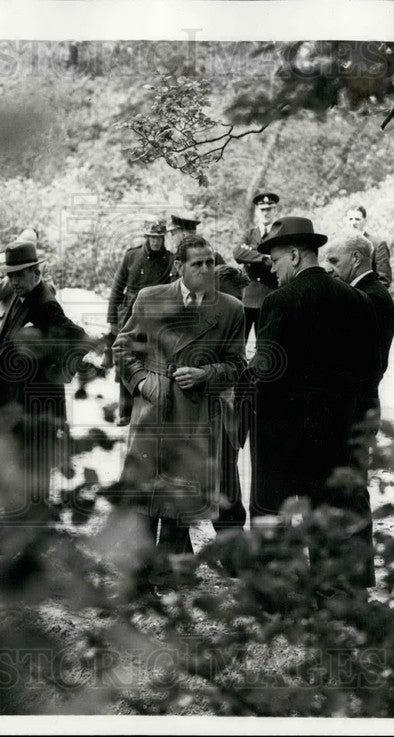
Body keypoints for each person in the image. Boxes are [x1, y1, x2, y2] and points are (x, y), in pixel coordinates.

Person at [247, 216, 374, 591]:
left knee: (279, 519)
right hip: (338, 434)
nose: (272, 268)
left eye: (276, 260)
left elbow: (266, 374)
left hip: (287, 438)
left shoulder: (279, 302)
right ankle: (335, 595)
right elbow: (366, 371)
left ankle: (283, 597)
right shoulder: (359, 301)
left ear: (297, 256)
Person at [113, 235, 245, 555]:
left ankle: (167, 575)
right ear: (179, 266)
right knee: (145, 498)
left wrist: (206, 374)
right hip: (153, 407)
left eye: (210, 263)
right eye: (197, 263)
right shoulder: (150, 297)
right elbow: (123, 348)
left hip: (195, 415)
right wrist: (143, 382)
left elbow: (237, 365)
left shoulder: (231, 309)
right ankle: (141, 574)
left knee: (178, 501)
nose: (205, 269)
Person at [0, 240, 87, 509]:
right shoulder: (21, 298)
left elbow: (79, 339)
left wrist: (55, 375)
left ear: (36, 273)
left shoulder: (44, 305)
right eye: (11, 275)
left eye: (20, 274)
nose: (14, 281)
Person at [320, 233, 394, 470]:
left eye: (334, 261)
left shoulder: (369, 296)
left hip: (355, 409)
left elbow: (362, 360)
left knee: (351, 488)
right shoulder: (366, 292)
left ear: (355, 258)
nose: (327, 268)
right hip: (356, 406)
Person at [106, 216, 173, 426]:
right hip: (130, 317)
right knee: (125, 360)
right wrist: (112, 321)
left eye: (159, 238)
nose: (155, 242)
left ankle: (151, 410)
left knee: (154, 362)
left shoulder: (170, 260)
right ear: (146, 237)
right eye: (152, 237)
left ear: (164, 238)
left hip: (157, 319)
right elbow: (117, 288)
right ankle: (125, 412)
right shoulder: (132, 256)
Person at [213, 264, 252, 533]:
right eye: (233, 299)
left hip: (226, 409)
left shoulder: (233, 317)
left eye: (240, 300)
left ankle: (231, 543)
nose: (237, 306)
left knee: (226, 477)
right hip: (198, 409)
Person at [0, 228, 55, 348]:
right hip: (4, 321)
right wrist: (17, 271)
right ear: (15, 239)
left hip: (29, 322)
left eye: (30, 245)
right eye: (22, 242)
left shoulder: (40, 264)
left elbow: (51, 292)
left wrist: (34, 276)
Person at [233, 191, 281, 339]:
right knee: (240, 343)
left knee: (265, 345)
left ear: (275, 210)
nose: (266, 213)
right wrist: (263, 258)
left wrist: (251, 253)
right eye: (262, 210)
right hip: (247, 296)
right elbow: (238, 254)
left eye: (269, 209)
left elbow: (278, 259)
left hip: (269, 296)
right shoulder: (249, 234)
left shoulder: (279, 234)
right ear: (257, 211)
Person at [345, 204, 393, 287]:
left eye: (357, 219)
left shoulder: (378, 245)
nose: (353, 223)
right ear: (345, 220)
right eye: (350, 219)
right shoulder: (340, 244)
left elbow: (384, 280)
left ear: (365, 221)